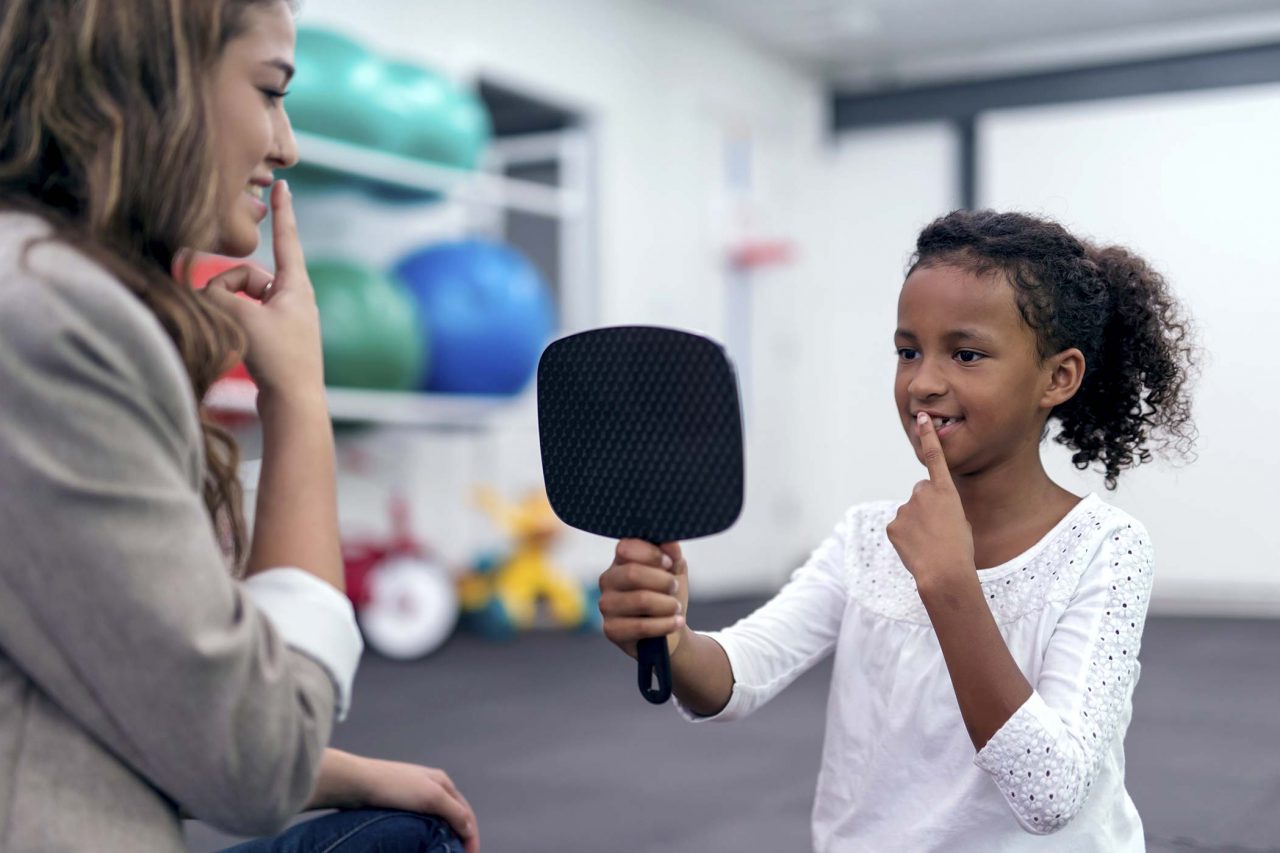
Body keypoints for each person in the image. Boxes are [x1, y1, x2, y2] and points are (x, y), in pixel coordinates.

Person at [0, 1, 477, 851]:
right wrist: (297, 398)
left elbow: (137, 681)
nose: (286, 145)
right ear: (156, 83)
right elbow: (258, 757)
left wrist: (347, 771)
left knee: (399, 828)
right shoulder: (47, 314)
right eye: (269, 92)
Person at [598, 209, 1198, 851]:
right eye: (907, 351)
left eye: (966, 354)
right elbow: (740, 672)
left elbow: (1050, 792)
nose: (923, 382)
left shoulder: (1104, 548)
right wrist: (670, 636)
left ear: (1058, 377)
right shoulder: (866, 536)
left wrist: (950, 585)